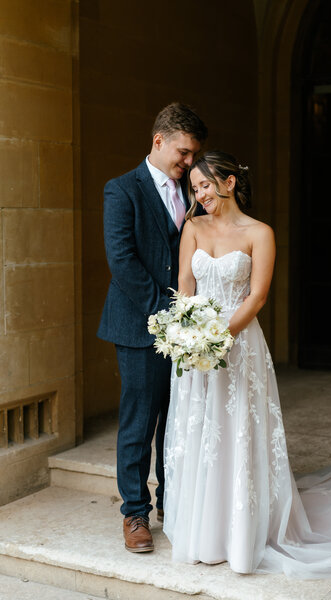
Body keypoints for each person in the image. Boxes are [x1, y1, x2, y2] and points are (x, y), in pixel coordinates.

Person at [163, 150, 331, 577]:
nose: (199, 195)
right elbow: (184, 283)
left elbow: (257, 297)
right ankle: (204, 532)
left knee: (236, 432)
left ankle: (242, 533)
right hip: (196, 348)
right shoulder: (192, 227)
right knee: (202, 431)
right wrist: (186, 335)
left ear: (229, 182)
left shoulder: (260, 233)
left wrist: (219, 338)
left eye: (204, 186)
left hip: (239, 346)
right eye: (194, 189)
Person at [97, 103, 207, 553]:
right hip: (139, 326)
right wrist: (167, 311)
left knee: (177, 421)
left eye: (194, 155)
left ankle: (172, 503)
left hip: (186, 330)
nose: (189, 163)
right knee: (140, 422)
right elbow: (121, 260)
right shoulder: (121, 190)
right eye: (183, 153)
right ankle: (135, 513)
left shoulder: (195, 191)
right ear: (159, 140)